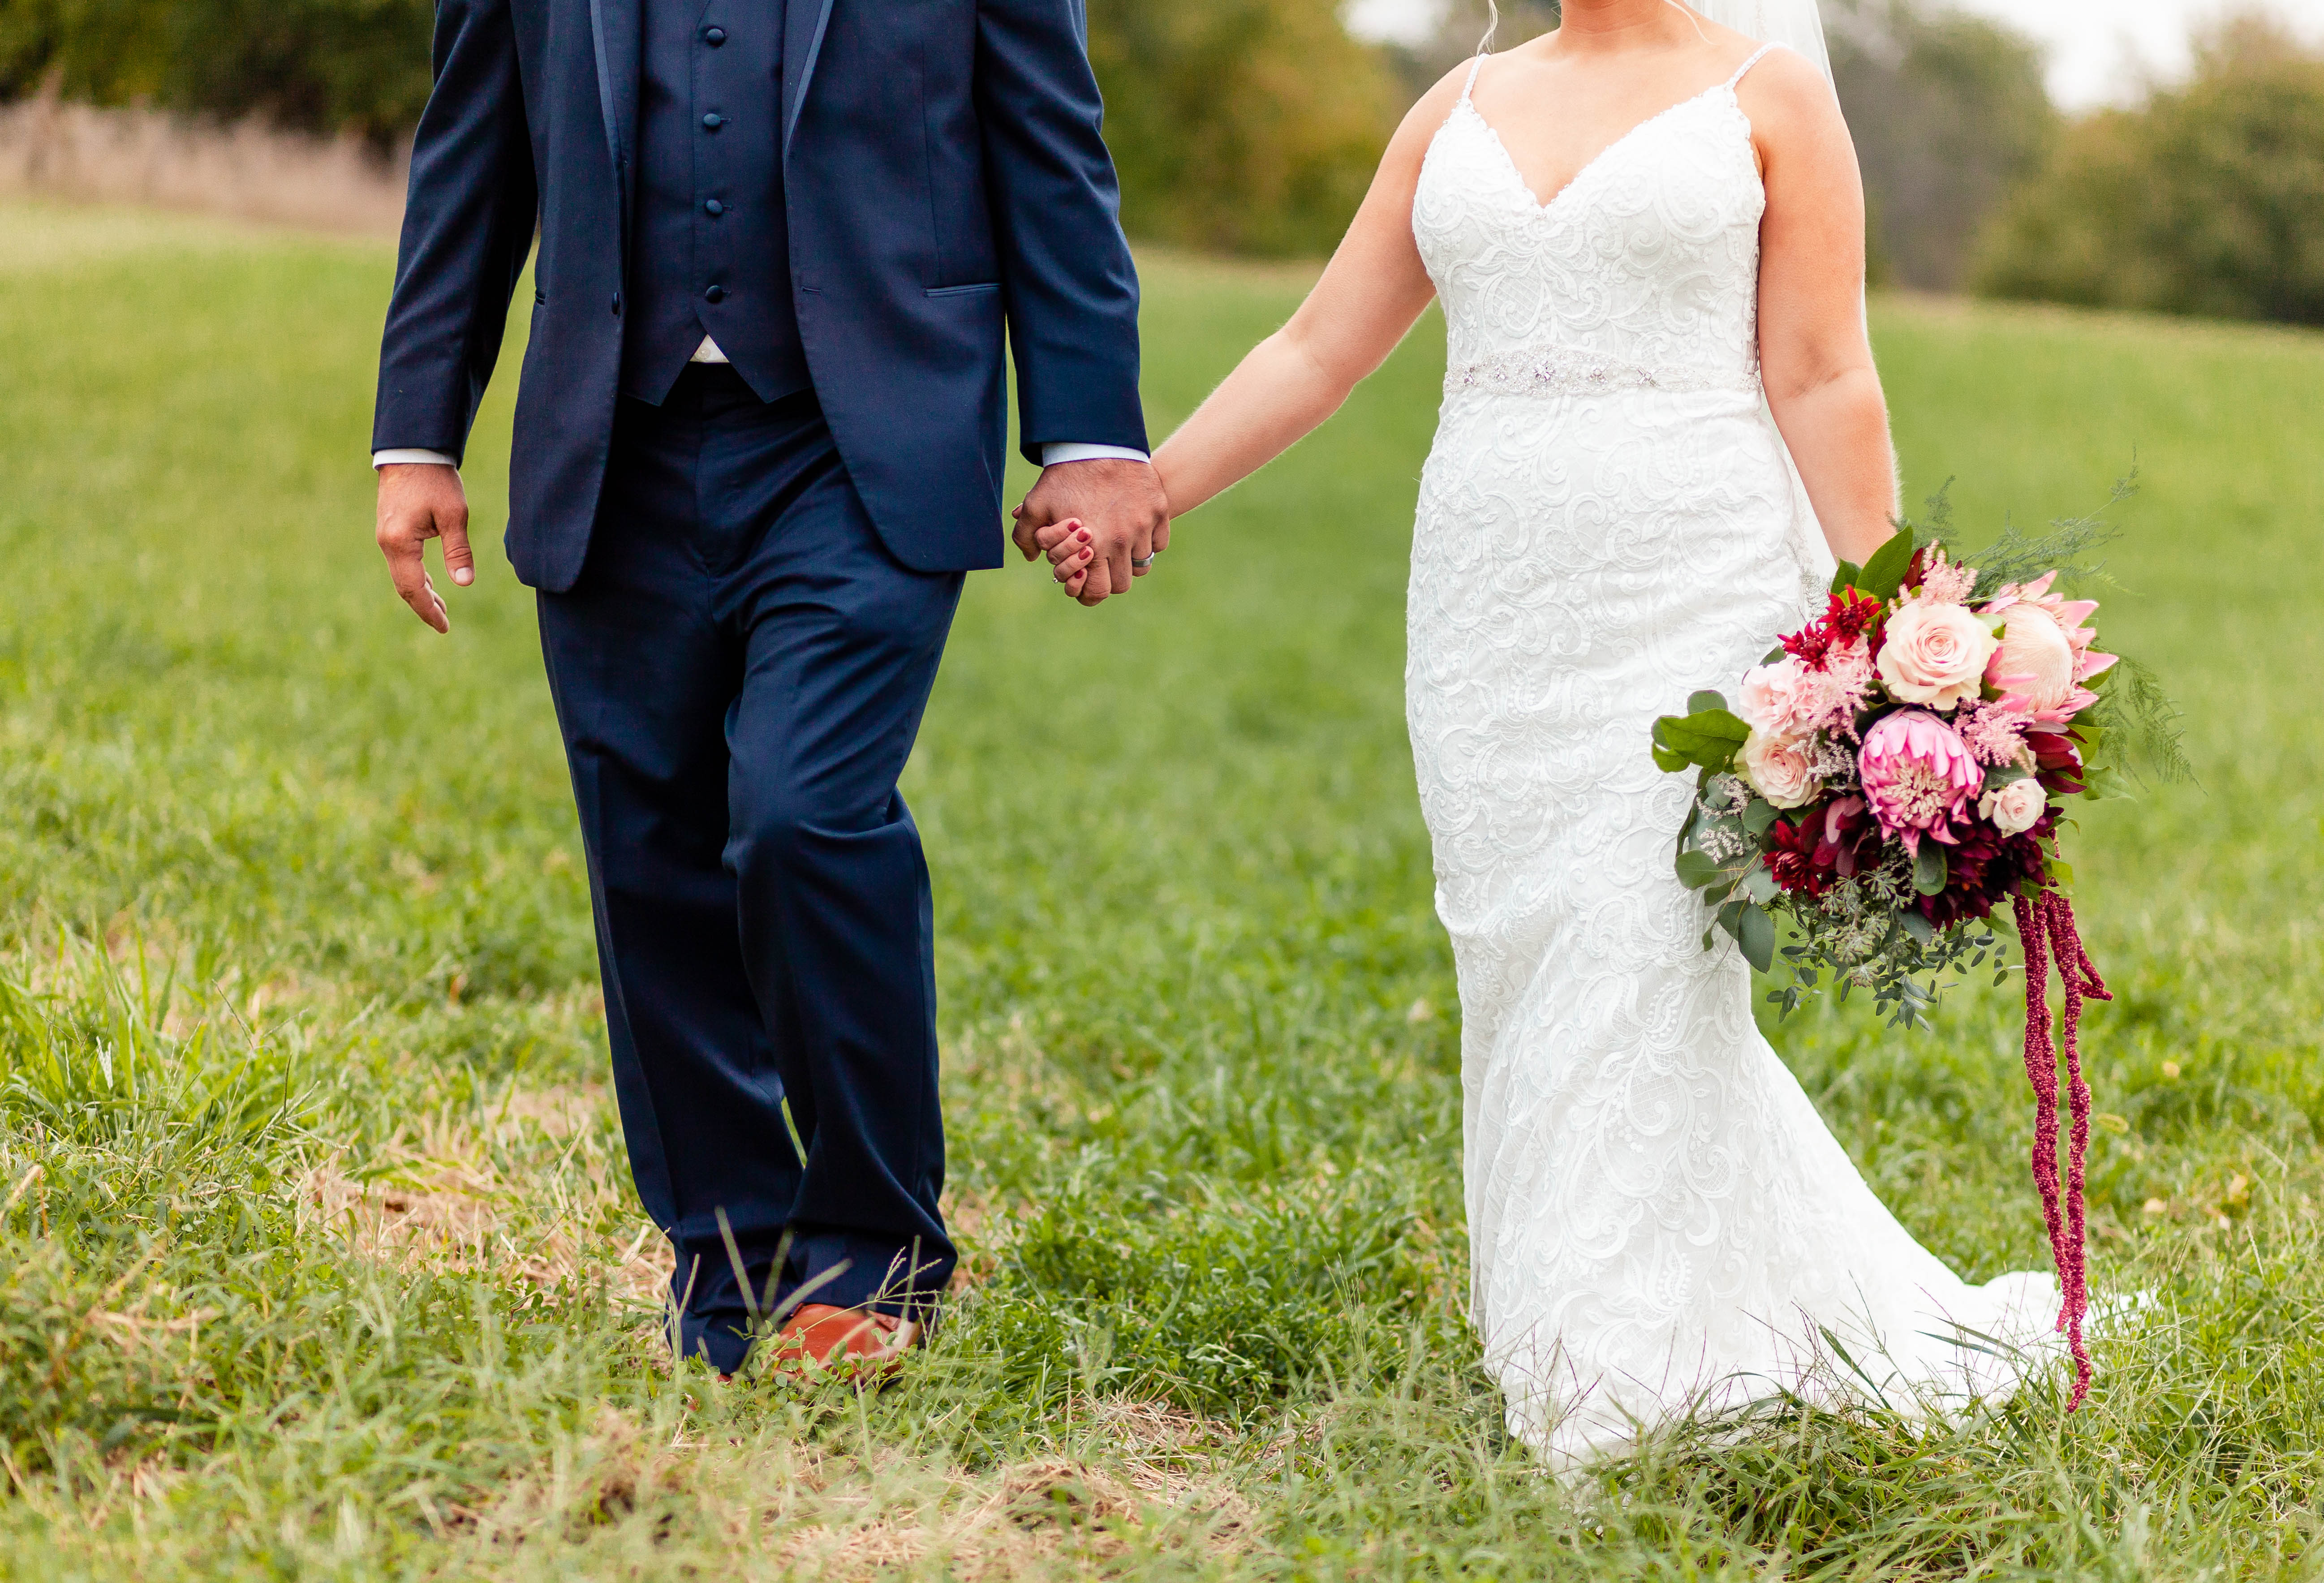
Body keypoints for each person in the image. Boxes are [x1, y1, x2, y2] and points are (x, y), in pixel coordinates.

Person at [1023, 0, 2055, 1464]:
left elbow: (1823, 373)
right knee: (1517, 949)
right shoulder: (1454, 107)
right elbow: (1317, 346)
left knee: (1637, 941)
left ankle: (1611, 1374)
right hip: (1488, 601)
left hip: (1690, 583)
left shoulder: (1767, 99)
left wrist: (1899, 623)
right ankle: (1620, 1314)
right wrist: (1152, 486)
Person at [370, 0, 1169, 1377]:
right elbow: (470, 158)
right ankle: (727, 1255)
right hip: (609, 438)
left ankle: (874, 1251)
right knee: (646, 849)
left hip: (863, 442)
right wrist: (416, 434)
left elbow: (1049, 149)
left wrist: (1090, 434)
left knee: (804, 813)